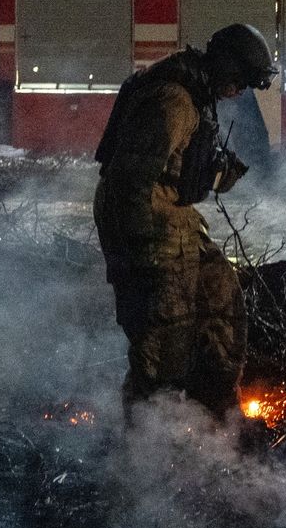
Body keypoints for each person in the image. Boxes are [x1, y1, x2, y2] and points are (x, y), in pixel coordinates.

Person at [92, 22, 275, 417]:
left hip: (171, 214)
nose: (240, 92)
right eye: (241, 81)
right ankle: (145, 439)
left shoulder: (196, 94)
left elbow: (181, 174)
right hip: (145, 221)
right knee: (163, 337)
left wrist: (218, 171)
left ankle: (214, 409)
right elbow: (130, 181)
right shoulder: (173, 103)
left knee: (220, 294)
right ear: (226, 68)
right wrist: (144, 265)